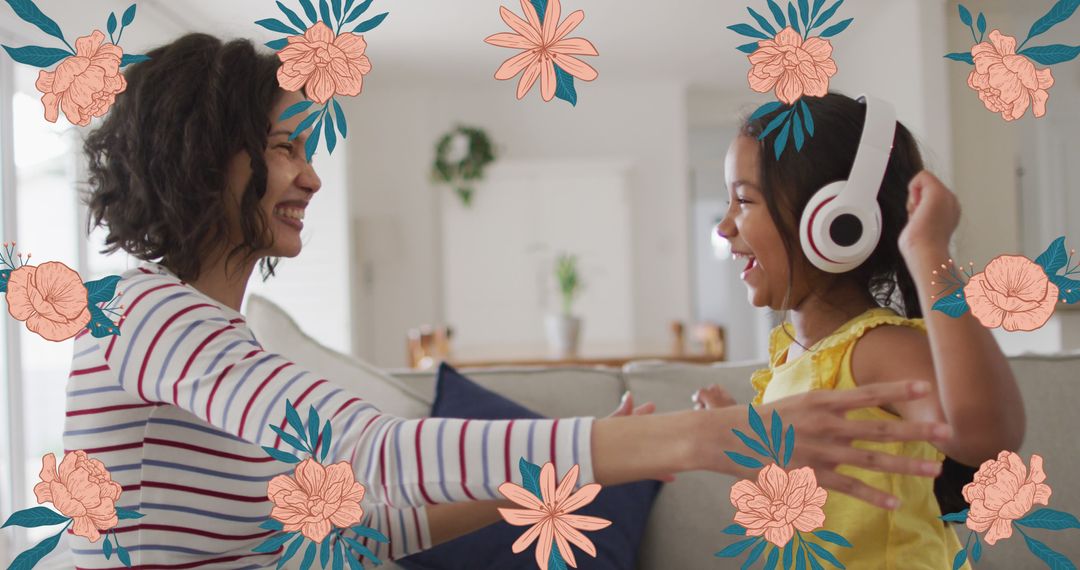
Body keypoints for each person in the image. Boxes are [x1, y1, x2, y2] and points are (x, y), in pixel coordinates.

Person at [69, 35, 952, 567]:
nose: (309, 173)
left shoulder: (220, 351)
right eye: (279, 147)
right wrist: (689, 436)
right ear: (205, 154)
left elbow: (362, 528)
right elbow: (373, 452)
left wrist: (594, 470)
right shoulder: (135, 312)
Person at [697, 93, 1026, 569]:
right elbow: (807, 487)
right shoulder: (793, 356)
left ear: (834, 221)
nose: (726, 226)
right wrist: (740, 430)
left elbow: (984, 434)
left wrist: (928, 250)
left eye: (745, 200)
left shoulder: (877, 350)